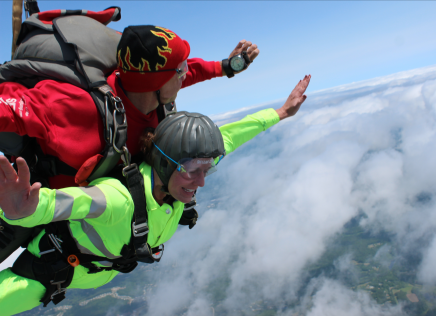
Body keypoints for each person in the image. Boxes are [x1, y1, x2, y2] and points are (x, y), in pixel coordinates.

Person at [0, 75, 311, 315]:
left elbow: (232, 135)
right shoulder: (120, 201)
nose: (201, 181)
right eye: (193, 169)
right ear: (163, 162)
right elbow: (71, 203)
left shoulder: (181, 173)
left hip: (86, 274)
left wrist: (282, 112)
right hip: (44, 275)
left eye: (209, 167)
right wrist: (23, 210)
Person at [0, 22, 259, 189]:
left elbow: (189, 73)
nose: (185, 74)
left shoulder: (149, 90)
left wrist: (226, 67)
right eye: (179, 69)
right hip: (56, 216)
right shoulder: (73, 105)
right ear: (155, 81)